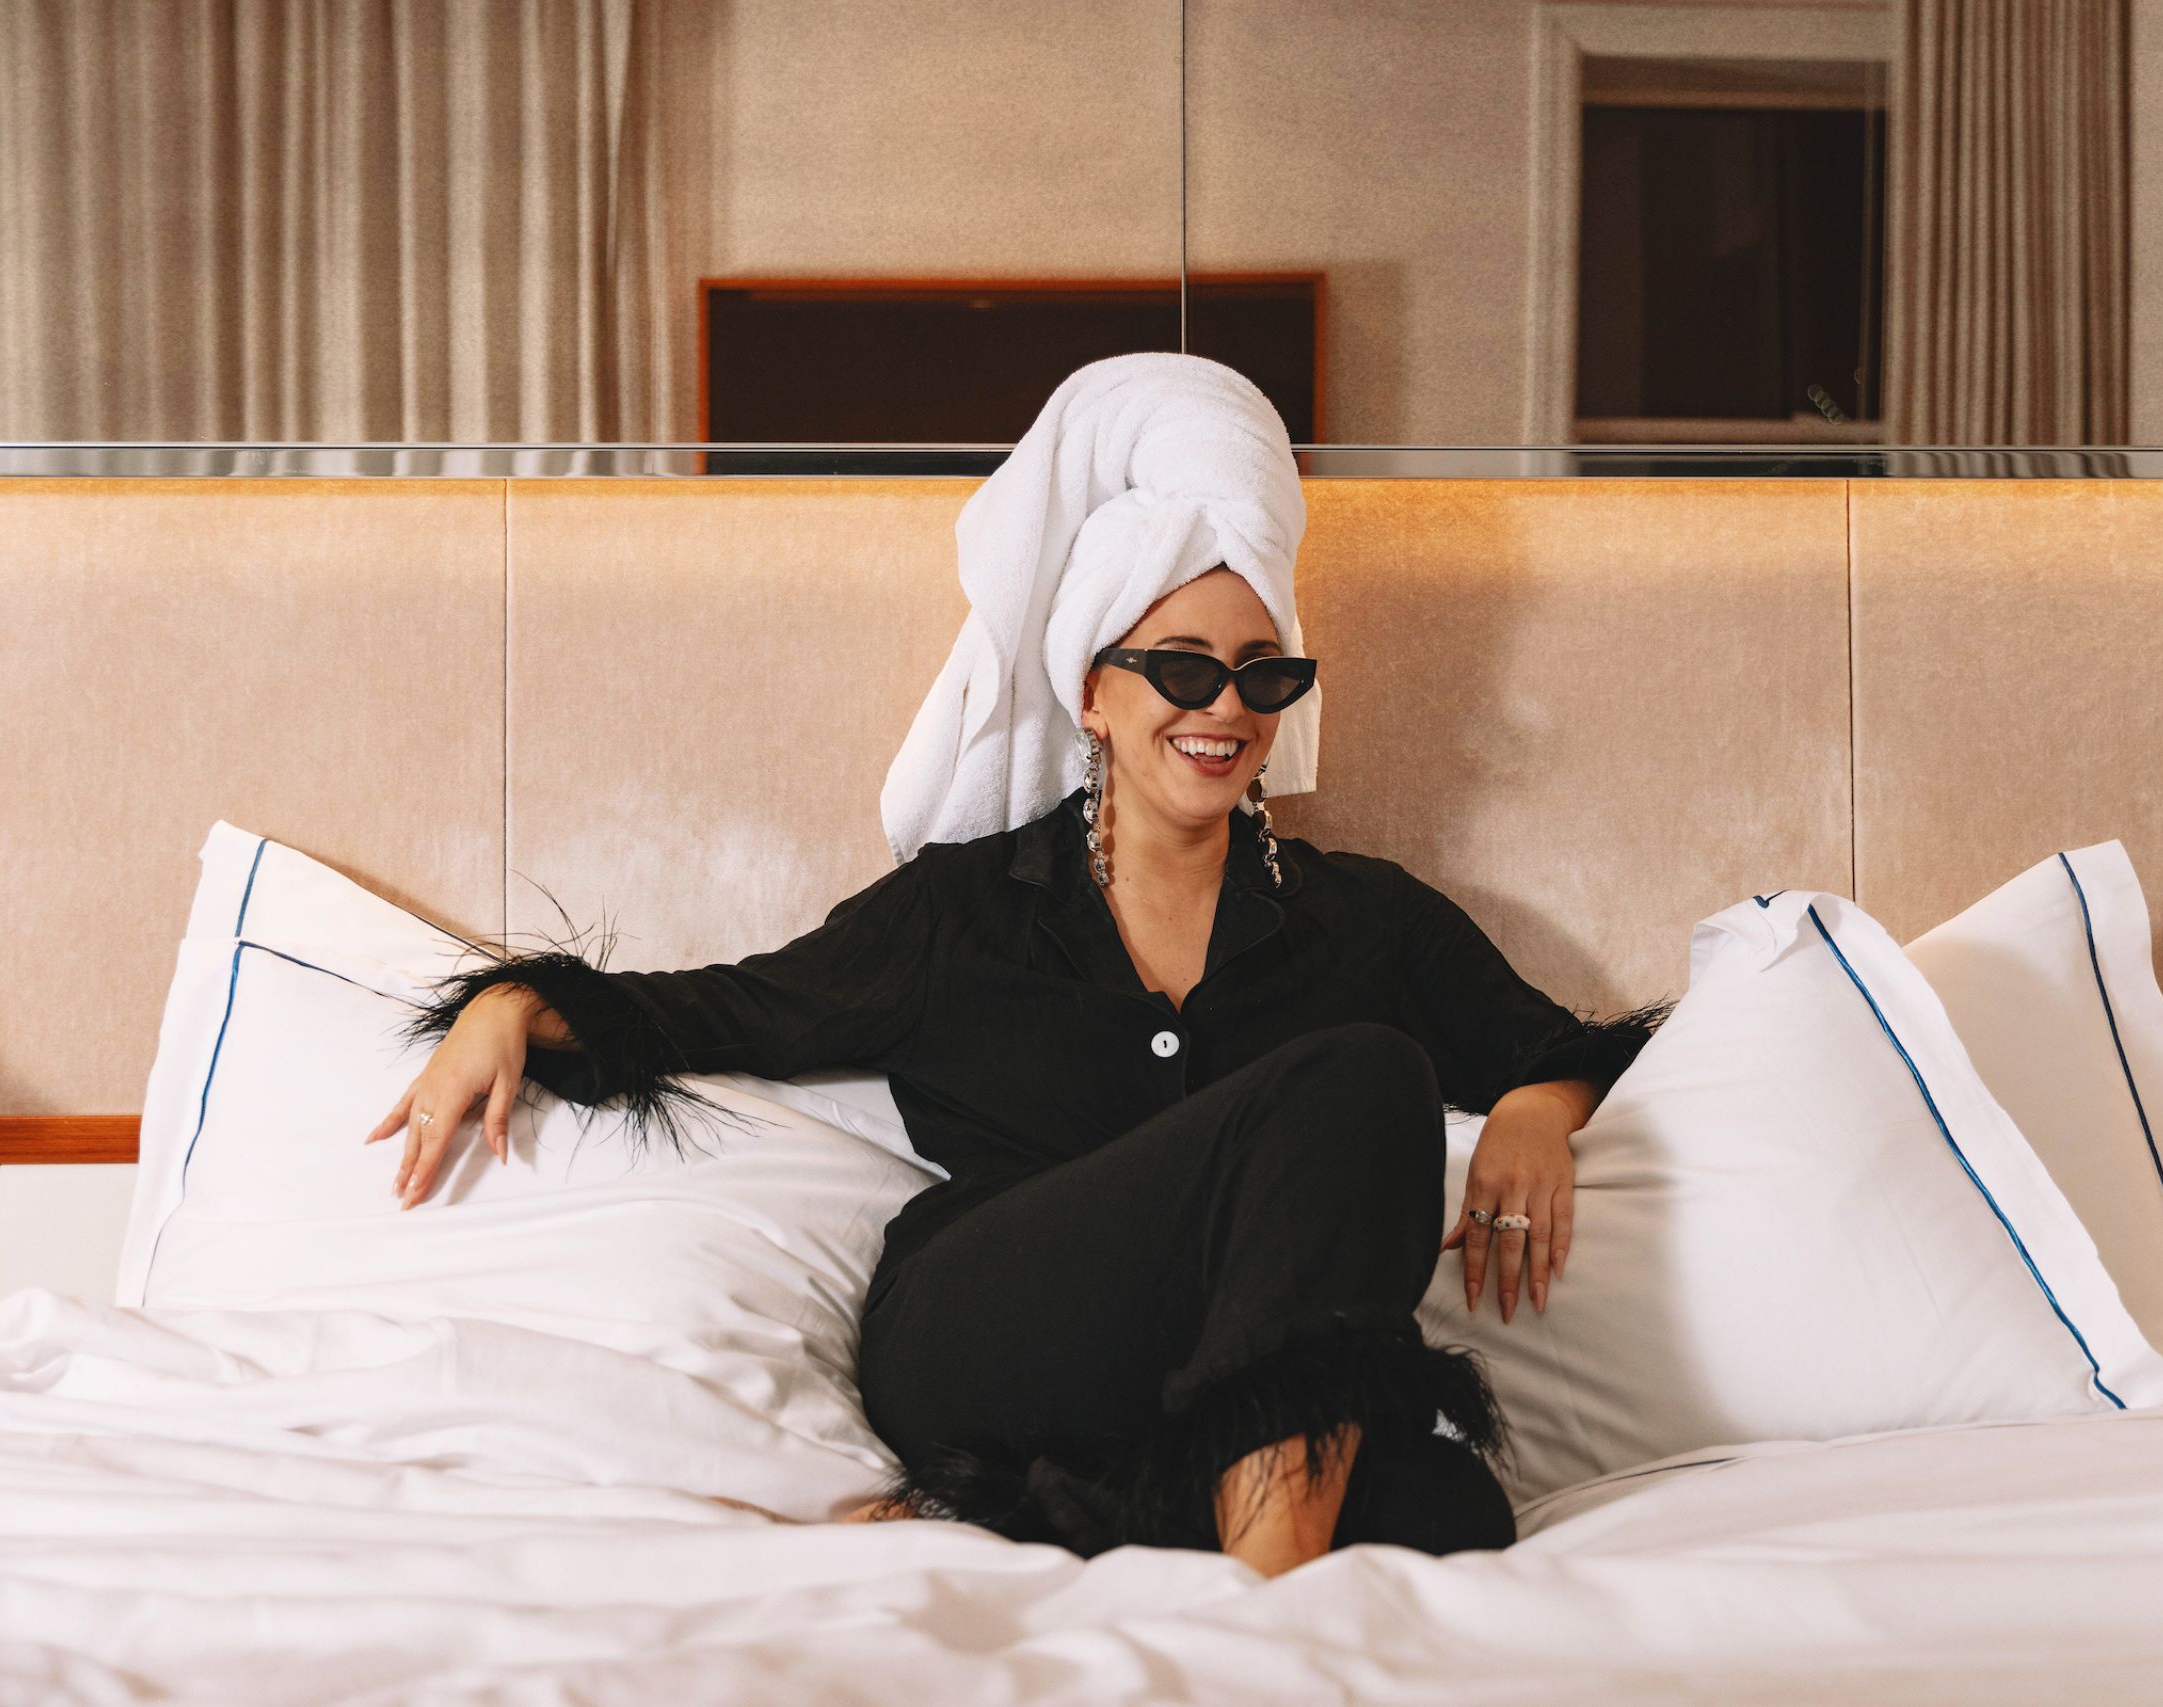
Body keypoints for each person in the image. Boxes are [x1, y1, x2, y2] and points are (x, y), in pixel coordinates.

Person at [367, 356, 1668, 1577]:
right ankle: (1263, 1633)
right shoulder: (964, 913)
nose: (1223, 708)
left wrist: (1537, 1109)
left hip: (1190, 1383)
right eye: (1180, 669)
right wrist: (509, 1002)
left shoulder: (1368, 922)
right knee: (1364, 1080)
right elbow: (724, 1009)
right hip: (991, 1320)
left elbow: (1575, 1048)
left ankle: (1039, 1515)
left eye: (1263, 676)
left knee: (1453, 1512)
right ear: (1092, 692)